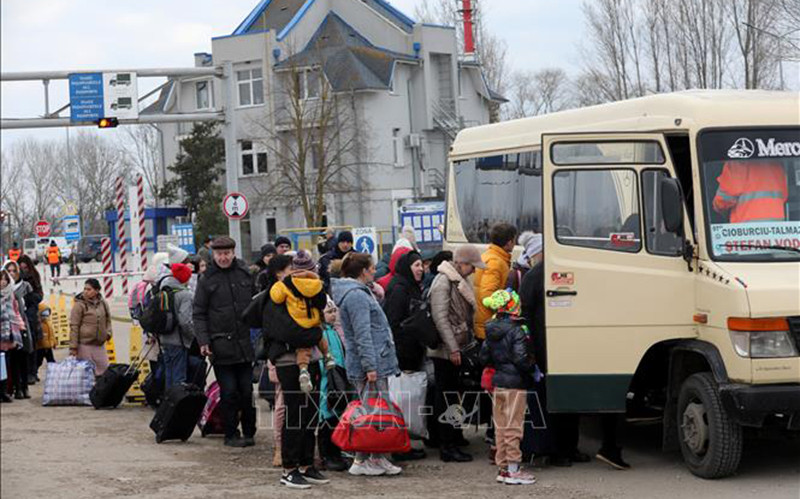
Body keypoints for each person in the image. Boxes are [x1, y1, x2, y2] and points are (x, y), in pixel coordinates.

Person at [331, 253, 402, 477]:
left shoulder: (357, 293)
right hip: (371, 364)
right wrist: (370, 367)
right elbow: (363, 334)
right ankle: (363, 460)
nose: (375, 272)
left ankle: (375, 456)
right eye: (372, 268)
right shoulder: (357, 296)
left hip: (373, 361)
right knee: (371, 413)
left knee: (375, 412)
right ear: (363, 271)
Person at [193, 236, 256, 448]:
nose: (223, 257)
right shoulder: (207, 279)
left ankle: (249, 431)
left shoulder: (244, 272)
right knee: (229, 392)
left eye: (227, 253)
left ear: (233, 253)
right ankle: (231, 433)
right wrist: (203, 341)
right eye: (219, 254)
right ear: (213, 255)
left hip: (245, 344)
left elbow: (256, 304)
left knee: (246, 391)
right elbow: (199, 313)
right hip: (220, 346)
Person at [428, 245, 484, 463]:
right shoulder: (444, 282)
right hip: (446, 350)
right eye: (472, 266)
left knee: (452, 394)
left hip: (455, 346)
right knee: (447, 396)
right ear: (462, 263)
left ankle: (453, 437)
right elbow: (440, 318)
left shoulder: (454, 279)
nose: (473, 271)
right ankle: (447, 445)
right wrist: (453, 348)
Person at [479, 289, 537, 486]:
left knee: (501, 427)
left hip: (498, 383)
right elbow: (522, 359)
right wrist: (532, 366)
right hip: (515, 384)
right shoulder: (517, 330)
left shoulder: (490, 330)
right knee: (514, 426)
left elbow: (484, 358)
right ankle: (514, 469)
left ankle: (503, 467)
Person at [269, 250, 333, 393]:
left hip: (297, 353)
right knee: (300, 407)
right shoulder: (315, 285)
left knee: (299, 407)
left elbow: (276, 297)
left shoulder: (284, 288)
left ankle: (304, 370)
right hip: (298, 349)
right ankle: (328, 356)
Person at [317, 298, 349, 472]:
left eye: (334, 311)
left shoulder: (333, 331)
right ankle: (326, 455)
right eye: (329, 312)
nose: (333, 315)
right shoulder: (321, 333)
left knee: (337, 417)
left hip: (338, 380)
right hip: (326, 382)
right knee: (326, 418)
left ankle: (336, 452)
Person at [474, 223, 518, 341]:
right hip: (489, 326)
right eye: (514, 240)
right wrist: (509, 301)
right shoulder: (496, 262)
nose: (515, 243)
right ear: (509, 242)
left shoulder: (489, 255)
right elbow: (487, 295)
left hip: (485, 322)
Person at [159, 263, 200, 389]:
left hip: (164, 339)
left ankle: (168, 403)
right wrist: (193, 336)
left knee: (169, 374)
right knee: (179, 376)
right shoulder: (185, 295)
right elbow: (184, 321)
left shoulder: (163, 291)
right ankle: (176, 405)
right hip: (179, 341)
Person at [713, 160, 788, 223]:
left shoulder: (738, 162)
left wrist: (716, 207)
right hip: (776, 231)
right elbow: (784, 195)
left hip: (747, 233)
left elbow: (723, 200)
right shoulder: (776, 162)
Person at [69, 278, 112, 376]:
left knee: (104, 371)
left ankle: (100, 391)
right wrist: (73, 347)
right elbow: (74, 326)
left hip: (99, 344)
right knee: (87, 374)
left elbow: (108, 319)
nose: (86, 292)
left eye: (89, 289)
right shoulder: (79, 305)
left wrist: (108, 333)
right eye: (85, 289)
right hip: (84, 344)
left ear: (97, 291)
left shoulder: (103, 303)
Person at [1, 268, 26, 401]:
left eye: (5, 279)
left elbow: (16, 312)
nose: (3, 282)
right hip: (1, 332)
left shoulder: (11, 295)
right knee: (3, 363)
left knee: (12, 362)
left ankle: (11, 390)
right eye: (1, 279)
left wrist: (21, 326)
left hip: (12, 332)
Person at [17, 255, 43, 384]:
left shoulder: (34, 276)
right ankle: (24, 373)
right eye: (21, 267)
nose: (23, 269)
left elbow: (39, 295)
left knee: (32, 344)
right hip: (18, 314)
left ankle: (32, 372)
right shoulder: (13, 280)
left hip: (31, 313)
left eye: (25, 267)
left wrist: (28, 298)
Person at [36, 303, 57, 367]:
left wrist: (54, 342)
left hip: (48, 347)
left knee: (51, 361)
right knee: (38, 362)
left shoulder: (48, 323)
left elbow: (51, 334)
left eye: (47, 315)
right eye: (44, 315)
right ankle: (34, 374)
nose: (45, 317)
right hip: (40, 347)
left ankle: (53, 373)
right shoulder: (38, 324)